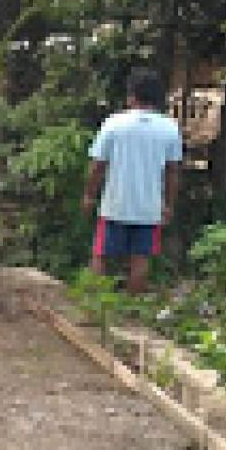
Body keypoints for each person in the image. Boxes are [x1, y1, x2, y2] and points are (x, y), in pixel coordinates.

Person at [81, 67, 182, 294]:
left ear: (132, 95)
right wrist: (168, 205)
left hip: (115, 205)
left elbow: (97, 165)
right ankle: (131, 307)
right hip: (149, 208)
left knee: (100, 255)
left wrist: (89, 195)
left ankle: (95, 302)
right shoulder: (170, 128)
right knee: (140, 259)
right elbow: (172, 172)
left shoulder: (114, 123)